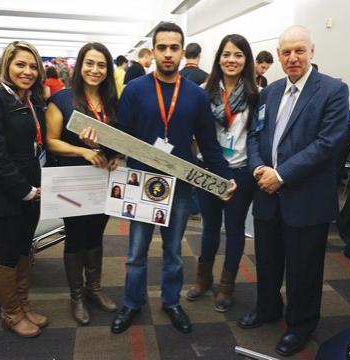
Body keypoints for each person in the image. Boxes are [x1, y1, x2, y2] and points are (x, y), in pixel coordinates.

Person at [81, 22, 236, 335]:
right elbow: (123, 133)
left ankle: (171, 301)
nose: (168, 54)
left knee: (174, 251)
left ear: (182, 50)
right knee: (136, 251)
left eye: (174, 47)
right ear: (152, 51)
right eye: (162, 47)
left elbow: (208, 144)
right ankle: (132, 303)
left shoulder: (195, 95)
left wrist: (224, 177)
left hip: (179, 186)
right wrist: (98, 144)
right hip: (141, 180)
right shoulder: (135, 89)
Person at [239, 25, 349, 357]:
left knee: (304, 269)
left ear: (312, 51)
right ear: (278, 55)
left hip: (306, 199)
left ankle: (300, 325)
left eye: (299, 50)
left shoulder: (333, 90)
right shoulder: (269, 91)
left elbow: (327, 144)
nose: (292, 58)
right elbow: (255, 135)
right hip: (267, 195)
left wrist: (281, 175)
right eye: (286, 52)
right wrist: (259, 168)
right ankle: (268, 308)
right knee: (268, 260)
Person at [0, 40, 49, 338]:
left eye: (33, 66)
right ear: (6, 64)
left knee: (23, 247)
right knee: (6, 252)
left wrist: (35, 187)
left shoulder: (27, 98)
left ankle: (23, 304)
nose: (27, 71)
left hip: (31, 186)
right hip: (3, 191)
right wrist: (25, 190)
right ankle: (11, 313)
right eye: (20, 65)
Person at [46, 42, 120, 326]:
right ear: (80, 65)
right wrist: (84, 151)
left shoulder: (112, 101)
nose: (95, 70)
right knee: (76, 236)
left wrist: (115, 156)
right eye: (90, 63)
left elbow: (117, 137)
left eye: (101, 65)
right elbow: (51, 142)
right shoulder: (63, 99)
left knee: (96, 233)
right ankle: (77, 296)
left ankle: (95, 289)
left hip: (102, 179)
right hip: (72, 179)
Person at [186, 34, 258, 312]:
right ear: (219, 58)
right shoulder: (204, 91)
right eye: (227, 54)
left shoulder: (254, 94)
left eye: (238, 55)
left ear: (246, 60)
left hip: (240, 172)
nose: (232, 60)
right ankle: (203, 279)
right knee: (209, 227)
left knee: (235, 229)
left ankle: (227, 286)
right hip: (209, 170)